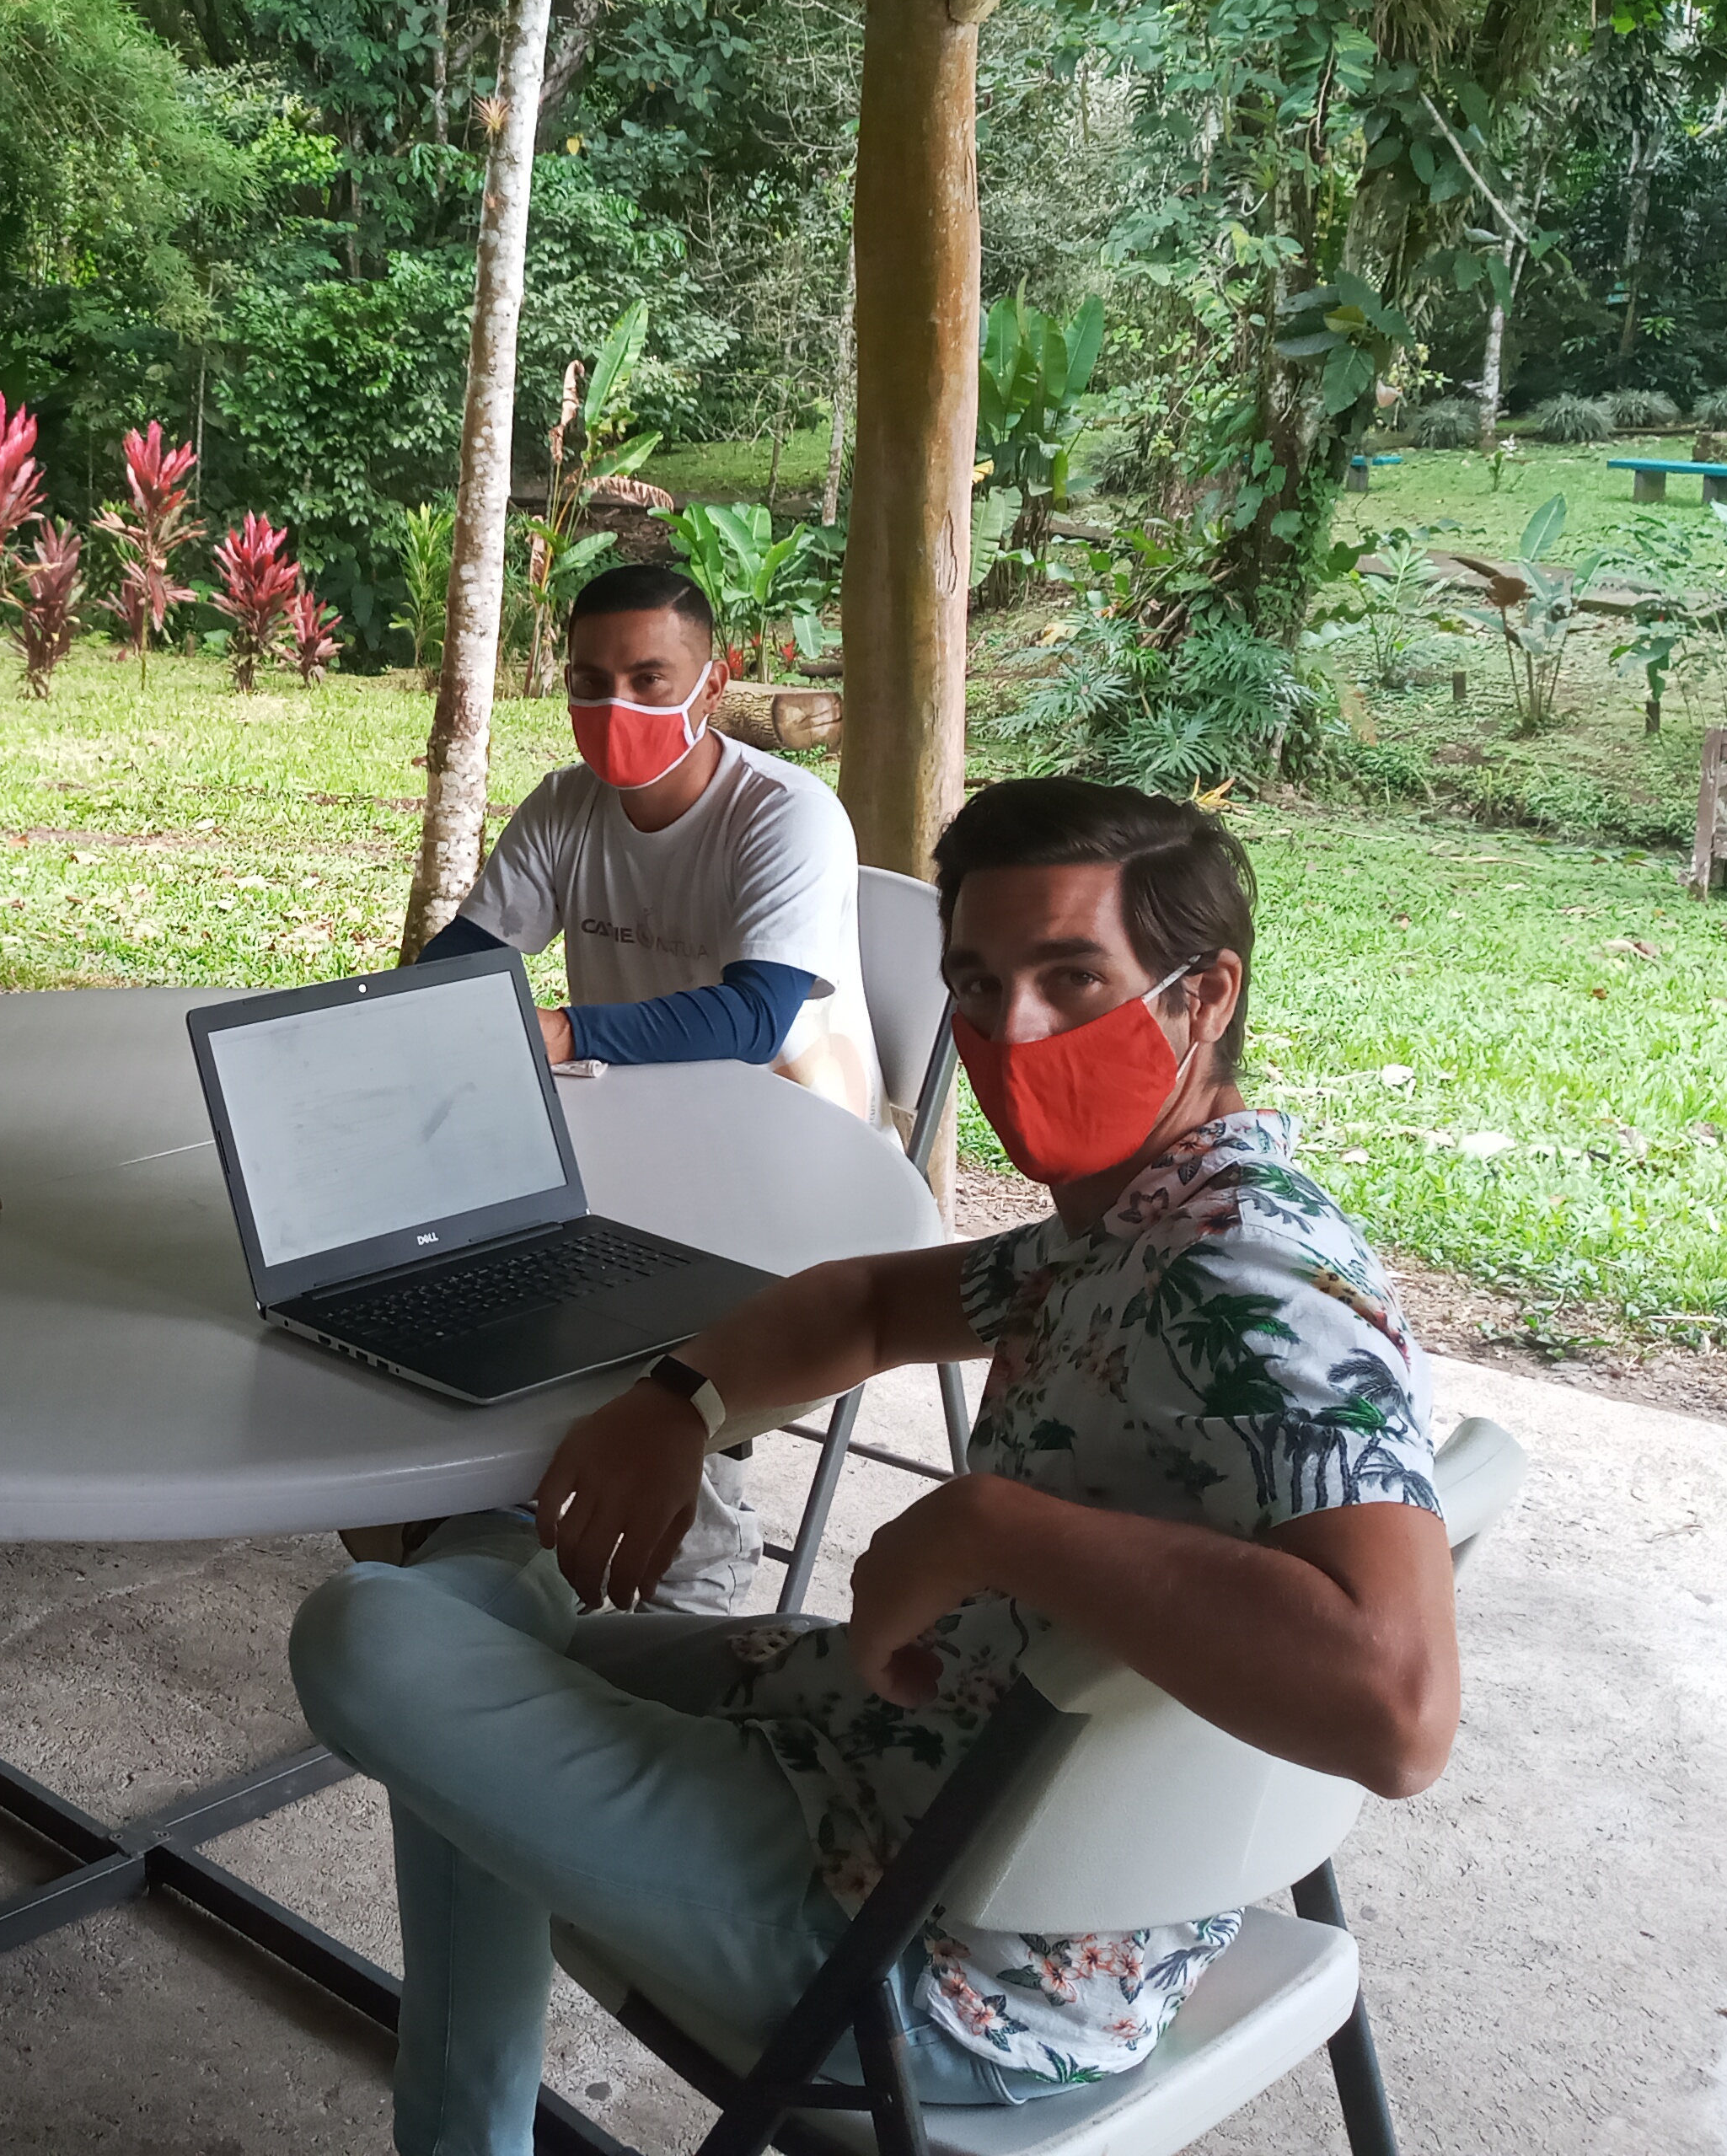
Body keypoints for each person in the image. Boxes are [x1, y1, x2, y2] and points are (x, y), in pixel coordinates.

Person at [291, 779, 1456, 2156]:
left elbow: (1399, 1705)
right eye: (978, 983)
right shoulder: (1140, 1223)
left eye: (1073, 979)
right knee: (478, 1633)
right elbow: (868, 1302)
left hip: (941, 1957)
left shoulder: (1250, 1282)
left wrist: (992, 1526)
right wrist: (679, 1398)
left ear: (1203, 997)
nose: (1014, 1031)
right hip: (910, 1766)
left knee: (370, 1635)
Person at [412, 562, 877, 1609]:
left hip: (789, 1158)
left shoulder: (784, 816)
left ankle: (690, 1580)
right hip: (623, 1129)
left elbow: (753, 1020)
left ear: (714, 682)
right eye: (588, 681)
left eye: (646, 679)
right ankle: (508, 1517)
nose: (613, 707)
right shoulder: (567, 806)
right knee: (445, 1249)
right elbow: (461, 966)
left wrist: (556, 1029)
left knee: (638, 1317)